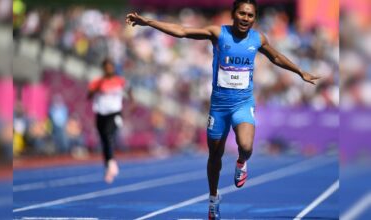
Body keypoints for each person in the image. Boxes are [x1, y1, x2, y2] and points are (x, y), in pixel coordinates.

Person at [126, 0, 320, 219]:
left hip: (243, 104)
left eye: (250, 15)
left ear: (254, 18)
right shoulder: (218, 33)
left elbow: (275, 56)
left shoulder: (258, 39)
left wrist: (300, 71)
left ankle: (241, 162)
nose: (246, 18)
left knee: (246, 146)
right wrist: (148, 22)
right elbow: (181, 31)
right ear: (233, 14)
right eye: (242, 14)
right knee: (214, 157)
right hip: (219, 107)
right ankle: (213, 198)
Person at [87, 58, 131, 184]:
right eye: (106, 67)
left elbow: (131, 93)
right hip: (101, 114)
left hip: (114, 113)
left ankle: (111, 163)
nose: (108, 69)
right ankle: (108, 165)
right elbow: (88, 96)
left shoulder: (120, 81)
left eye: (110, 67)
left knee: (108, 135)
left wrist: (130, 108)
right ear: (103, 68)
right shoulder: (97, 82)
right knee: (104, 140)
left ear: (113, 68)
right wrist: (96, 89)